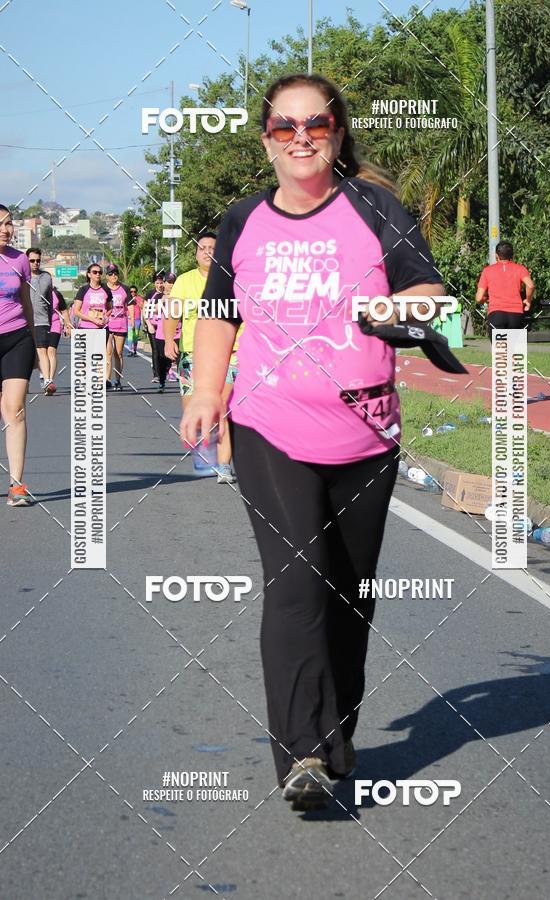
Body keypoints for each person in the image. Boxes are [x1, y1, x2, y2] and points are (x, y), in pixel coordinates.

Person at [180, 73, 446, 810]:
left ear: (336, 131)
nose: (301, 137)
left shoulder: (374, 208)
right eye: (285, 126)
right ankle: (303, 753)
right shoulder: (243, 220)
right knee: (297, 582)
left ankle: (335, 737)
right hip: (270, 427)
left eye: (316, 123)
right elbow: (219, 315)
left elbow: (433, 300)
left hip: (367, 433)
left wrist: (392, 307)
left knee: (348, 596)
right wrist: (207, 392)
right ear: (265, 139)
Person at [164, 232, 238, 484]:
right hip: (191, 353)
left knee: (224, 407)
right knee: (192, 409)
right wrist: (168, 340)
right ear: (195, 253)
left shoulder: (233, 280)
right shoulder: (184, 281)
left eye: (212, 247)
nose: (207, 251)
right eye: (202, 248)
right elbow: (172, 314)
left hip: (229, 352)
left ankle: (224, 464)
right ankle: (207, 451)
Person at [0, 204, 37, 506]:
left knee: (15, 410)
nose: (5, 228)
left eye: (9, 223)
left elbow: (26, 303)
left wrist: (35, 346)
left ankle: (16, 485)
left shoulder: (20, 260)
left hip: (17, 337)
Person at [475, 241, 534, 340]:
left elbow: (479, 298)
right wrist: (528, 300)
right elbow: (530, 286)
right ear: (512, 255)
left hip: (496, 314)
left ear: (496, 255)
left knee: (500, 353)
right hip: (516, 314)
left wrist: (485, 298)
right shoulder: (520, 269)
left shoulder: (487, 271)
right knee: (515, 351)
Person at [26, 248, 56, 395]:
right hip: (24, 321)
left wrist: (50, 319)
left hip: (42, 321)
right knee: (27, 355)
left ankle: (47, 380)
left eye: (38, 260)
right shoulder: (21, 276)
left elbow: (50, 300)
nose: (36, 263)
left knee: (42, 351)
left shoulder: (46, 277)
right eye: (32, 260)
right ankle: (26, 381)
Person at [105, 263, 133, 390]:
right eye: (111, 274)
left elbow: (131, 304)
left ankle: (118, 380)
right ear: (107, 276)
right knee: (108, 352)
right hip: (107, 322)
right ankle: (106, 379)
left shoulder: (125, 288)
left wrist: (131, 319)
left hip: (121, 322)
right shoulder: (104, 289)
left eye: (115, 273)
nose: (114, 275)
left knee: (119, 352)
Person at [154, 273, 179, 392]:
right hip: (161, 334)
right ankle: (162, 382)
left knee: (180, 359)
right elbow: (153, 311)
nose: (171, 285)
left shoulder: (181, 296)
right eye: (169, 282)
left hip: (178, 333)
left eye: (173, 282)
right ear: (164, 283)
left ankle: (185, 383)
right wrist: (163, 301)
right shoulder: (158, 297)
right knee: (163, 360)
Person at [72, 264, 113, 332]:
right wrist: (93, 319)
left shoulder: (106, 289)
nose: (97, 274)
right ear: (89, 274)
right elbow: (76, 311)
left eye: (100, 272)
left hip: (102, 328)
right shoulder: (83, 290)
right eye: (94, 272)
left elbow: (110, 308)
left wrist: (105, 317)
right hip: (85, 327)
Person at [142, 271, 165, 382]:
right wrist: (148, 324)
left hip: (165, 326)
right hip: (153, 326)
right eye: (157, 283)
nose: (159, 285)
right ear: (154, 283)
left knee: (163, 350)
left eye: (161, 283)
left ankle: (165, 370)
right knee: (155, 350)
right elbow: (145, 310)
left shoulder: (167, 294)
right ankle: (156, 375)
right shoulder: (150, 294)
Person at [48, 286, 71, 384]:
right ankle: (44, 375)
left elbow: (64, 311)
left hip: (55, 325)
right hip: (40, 325)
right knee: (41, 353)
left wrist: (68, 326)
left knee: (51, 351)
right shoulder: (34, 292)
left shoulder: (56, 294)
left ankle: (49, 380)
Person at [127, 284, 143, 356]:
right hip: (129, 319)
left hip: (137, 319)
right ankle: (130, 350)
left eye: (134, 291)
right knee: (130, 335)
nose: (133, 293)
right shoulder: (127, 298)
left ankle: (134, 350)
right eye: (131, 291)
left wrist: (136, 301)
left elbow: (142, 307)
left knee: (135, 335)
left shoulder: (139, 298)